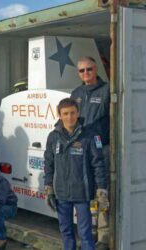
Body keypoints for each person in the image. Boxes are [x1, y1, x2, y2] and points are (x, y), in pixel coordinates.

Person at [43, 98, 108, 250]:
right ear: (59, 115)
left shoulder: (89, 136)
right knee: (66, 232)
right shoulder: (53, 137)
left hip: (82, 194)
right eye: (65, 113)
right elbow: (48, 164)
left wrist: (101, 190)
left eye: (72, 113)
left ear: (78, 113)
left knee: (85, 233)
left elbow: (98, 163)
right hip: (61, 194)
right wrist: (48, 188)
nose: (69, 117)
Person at [71, 56, 110, 249]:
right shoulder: (76, 93)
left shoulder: (107, 90)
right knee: (85, 192)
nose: (86, 73)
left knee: (103, 191)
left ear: (96, 69)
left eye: (89, 69)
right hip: (81, 149)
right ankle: (88, 235)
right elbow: (69, 120)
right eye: (82, 70)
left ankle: (103, 238)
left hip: (102, 149)